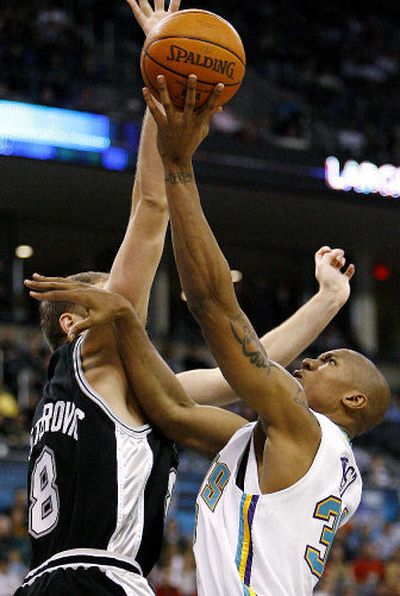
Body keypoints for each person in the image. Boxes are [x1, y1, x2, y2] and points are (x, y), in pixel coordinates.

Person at [25, 76, 391, 595]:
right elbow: (151, 217)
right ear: (77, 319)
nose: (130, 292)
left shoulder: (289, 429)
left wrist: (163, 93)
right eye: (115, 288)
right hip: (99, 580)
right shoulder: (103, 358)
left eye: (326, 361)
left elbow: (239, 360)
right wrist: (162, 86)